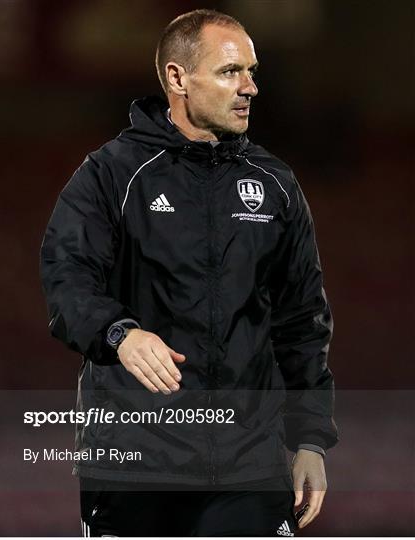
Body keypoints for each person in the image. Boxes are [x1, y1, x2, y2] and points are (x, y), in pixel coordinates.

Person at [40, 8, 338, 537]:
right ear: (178, 78)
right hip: (133, 464)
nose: (249, 87)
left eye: (252, 71)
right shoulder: (111, 174)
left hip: (249, 467)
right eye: (230, 72)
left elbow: (302, 319)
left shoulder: (276, 184)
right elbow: (67, 278)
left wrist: (311, 440)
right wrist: (120, 335)